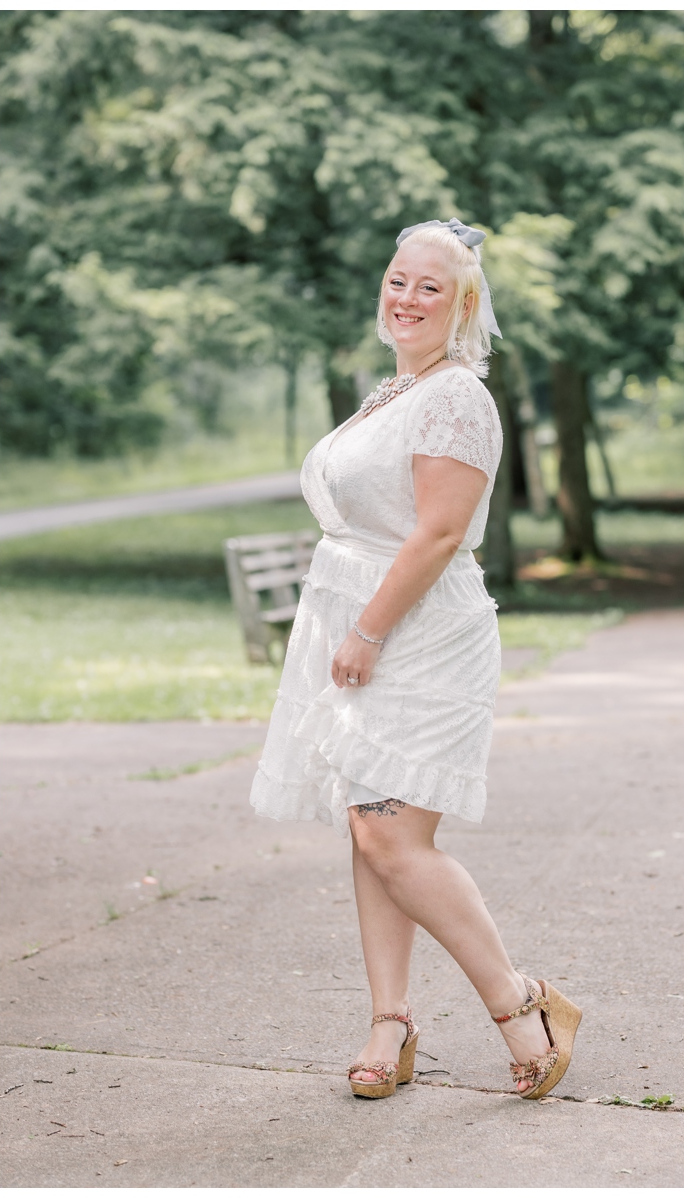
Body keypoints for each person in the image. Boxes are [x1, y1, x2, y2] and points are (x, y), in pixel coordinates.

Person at [249, 218, 580, 1101]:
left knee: (397, 835)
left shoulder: (456, 397)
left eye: (429, 287)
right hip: (361, 618)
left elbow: (437, 533)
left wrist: (365, 631)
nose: (407, 298)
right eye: (398, 280)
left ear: (463, 303)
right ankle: (388, 1020)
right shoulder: (394, 392)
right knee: (368, 826)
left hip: (419, 634)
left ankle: (522, 1005)